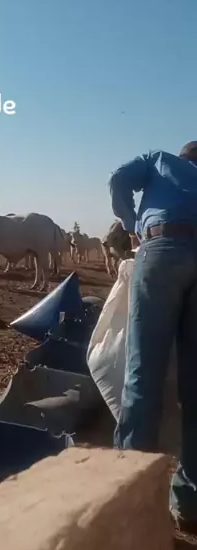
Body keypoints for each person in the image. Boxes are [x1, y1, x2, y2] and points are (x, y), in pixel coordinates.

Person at [109, 142, 197, 529]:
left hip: (162, 249)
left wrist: (132, 225)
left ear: (183, 156)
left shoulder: (159, 160)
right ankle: (190, 505)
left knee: (143, 374)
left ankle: (130, 500)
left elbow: (118, 179)